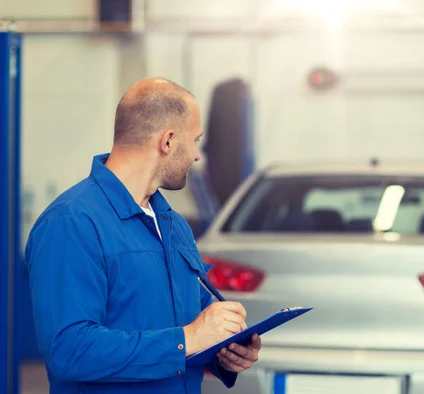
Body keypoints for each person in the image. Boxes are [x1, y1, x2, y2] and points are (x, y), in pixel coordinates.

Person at [25, 77, 261, 393]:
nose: (196, 156)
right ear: (168, 140)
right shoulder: (72, 222)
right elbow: (70, 350)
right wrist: (187, 339)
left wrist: (224, 349)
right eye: (195, 141)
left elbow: (195, 322)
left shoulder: (173, 226)